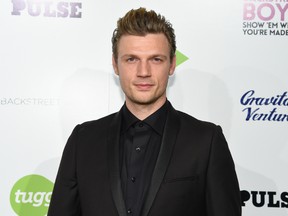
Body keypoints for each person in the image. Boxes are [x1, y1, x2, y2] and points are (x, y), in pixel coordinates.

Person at [48, 7, 242, 216]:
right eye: (131, 59)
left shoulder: (206, 141)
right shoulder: (83, 141)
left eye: (156, 59)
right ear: (115, 64)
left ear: (172, 65)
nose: (143, 72)